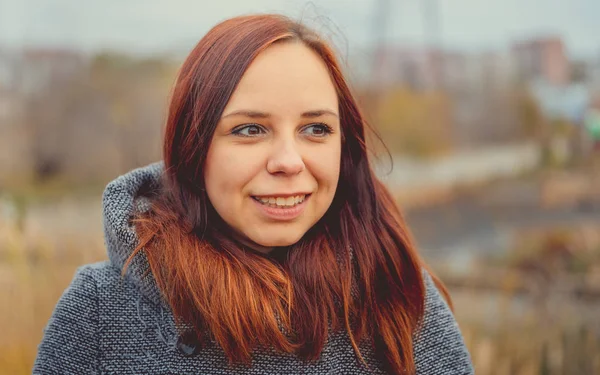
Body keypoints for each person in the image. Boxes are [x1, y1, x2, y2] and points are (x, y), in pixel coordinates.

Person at [33, 14, 474, 375]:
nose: (289, 161)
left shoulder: (397, 295)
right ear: (193, 148)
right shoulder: (98, 312)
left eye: (315, 129)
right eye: (249, 129)